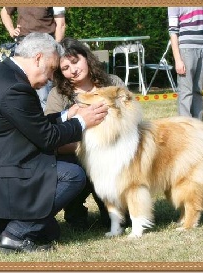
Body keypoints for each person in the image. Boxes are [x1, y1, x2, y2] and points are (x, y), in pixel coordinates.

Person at [0, 33, 108, 254]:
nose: (52, 77)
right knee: (72, 174)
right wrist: (82, 122)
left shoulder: (5, 74)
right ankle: (16, 235)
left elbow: (32, 123)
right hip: (2, 172)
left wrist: (67, 115)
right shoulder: (15, 87)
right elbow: (47, 138)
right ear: (38, 59)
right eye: (52, 69)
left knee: (49, 231)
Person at [44, 37, 127, 229]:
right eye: (65, 68)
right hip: (76, 158)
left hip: (114, 158)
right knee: (77, 169)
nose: (72, 70)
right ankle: (74, 210)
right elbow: (52, 139)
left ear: (86, 58)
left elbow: (130, 124)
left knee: (120, 221)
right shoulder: (57, 95)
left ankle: (117, 208)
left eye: (75, 62)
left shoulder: (113, 83)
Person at [0, 7, 67, 110]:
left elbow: (61, 24)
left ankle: (47, 121)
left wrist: (54, 48)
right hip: (23, 47)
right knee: (20, 87)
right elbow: (5, 12)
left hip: (44, 48)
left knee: (44, 95)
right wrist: (11, 30)